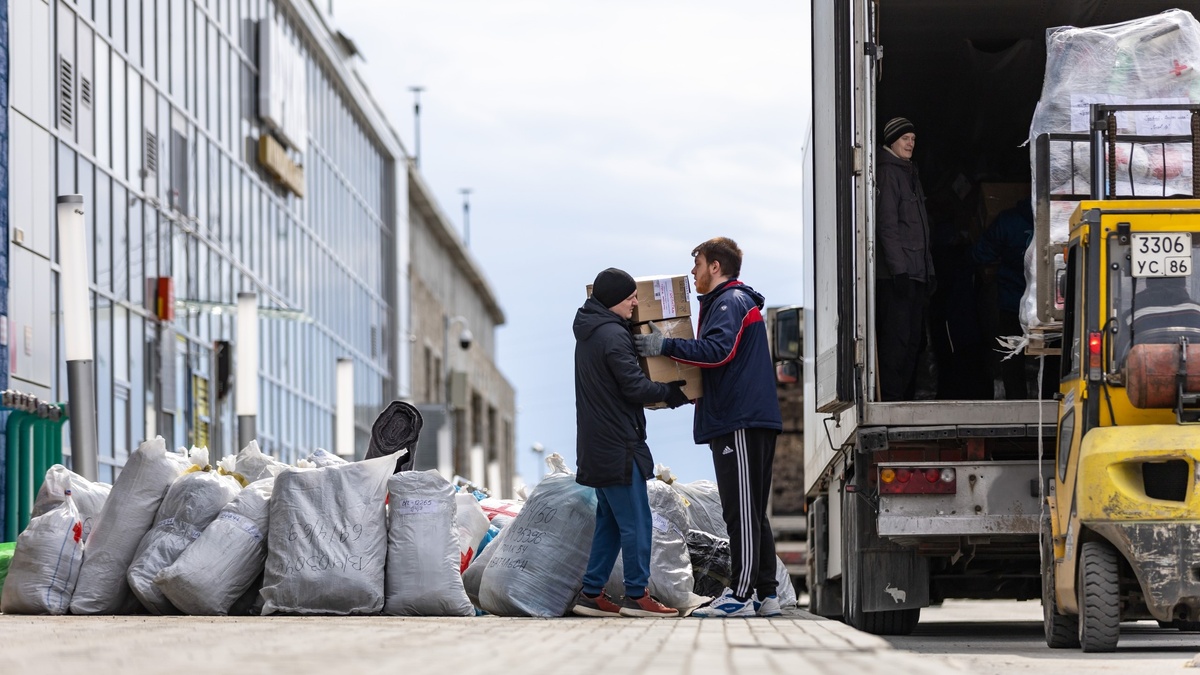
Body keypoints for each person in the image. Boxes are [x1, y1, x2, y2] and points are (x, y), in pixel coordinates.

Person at [633, 238, 784, 618]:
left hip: (741, 420)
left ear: (716, 266)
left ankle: (742, 594)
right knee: (748, 511)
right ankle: (767, 595)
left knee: (741, 513)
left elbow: (718, 351)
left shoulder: (731, 302)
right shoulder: (724, 304)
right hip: (737, 419)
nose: (693, 272)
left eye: (697, 263)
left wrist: (663, 345)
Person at [571, 267, 690, 619]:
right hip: (618, 444)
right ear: (612, 300)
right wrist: (673, 393)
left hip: (599, 443)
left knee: (610, 520)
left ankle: (592, 593)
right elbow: (635, 387)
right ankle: (638, 595)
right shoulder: (612, 335)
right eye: (630, 297)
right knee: (637, 521)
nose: (637, 303)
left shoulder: (591, 331)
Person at [876, 117, 934, 401]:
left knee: (914, 342)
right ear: (892, 141)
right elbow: (887, 225)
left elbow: (920, 229)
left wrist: (929, 271)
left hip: (916, 274)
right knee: (897, 342)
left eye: (913, 138)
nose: (911, 143)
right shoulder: (889, 173)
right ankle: (892, 402)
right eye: (905, 138)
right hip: (899, 276)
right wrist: (898, 271)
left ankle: (905, 400)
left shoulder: (910, 173)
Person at [972, 197, 1034, 399]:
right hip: (1049, 306)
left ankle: (1017, 401)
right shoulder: (1057, 219)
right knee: (1053, 356)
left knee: (1011, 356)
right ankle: (1053, 398)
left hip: (1012, 302)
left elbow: (980, 254)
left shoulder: (1008, 221)